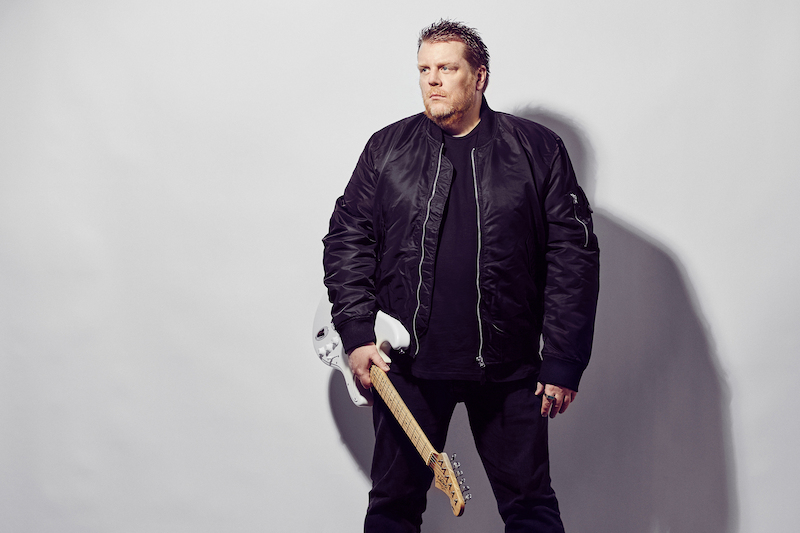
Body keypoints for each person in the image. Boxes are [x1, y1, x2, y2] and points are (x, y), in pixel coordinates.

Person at [322, 19, 599, 533]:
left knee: (531, 507)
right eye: (424, 69)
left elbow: (573, 256)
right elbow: (347, 238)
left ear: (480, 77)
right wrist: (357, 334)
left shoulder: (537, 149)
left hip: (510, 367)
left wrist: (563, 359)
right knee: (393, 506)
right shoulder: (387, 148)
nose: (432, 80)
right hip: (407, 366)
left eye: (447, 68)